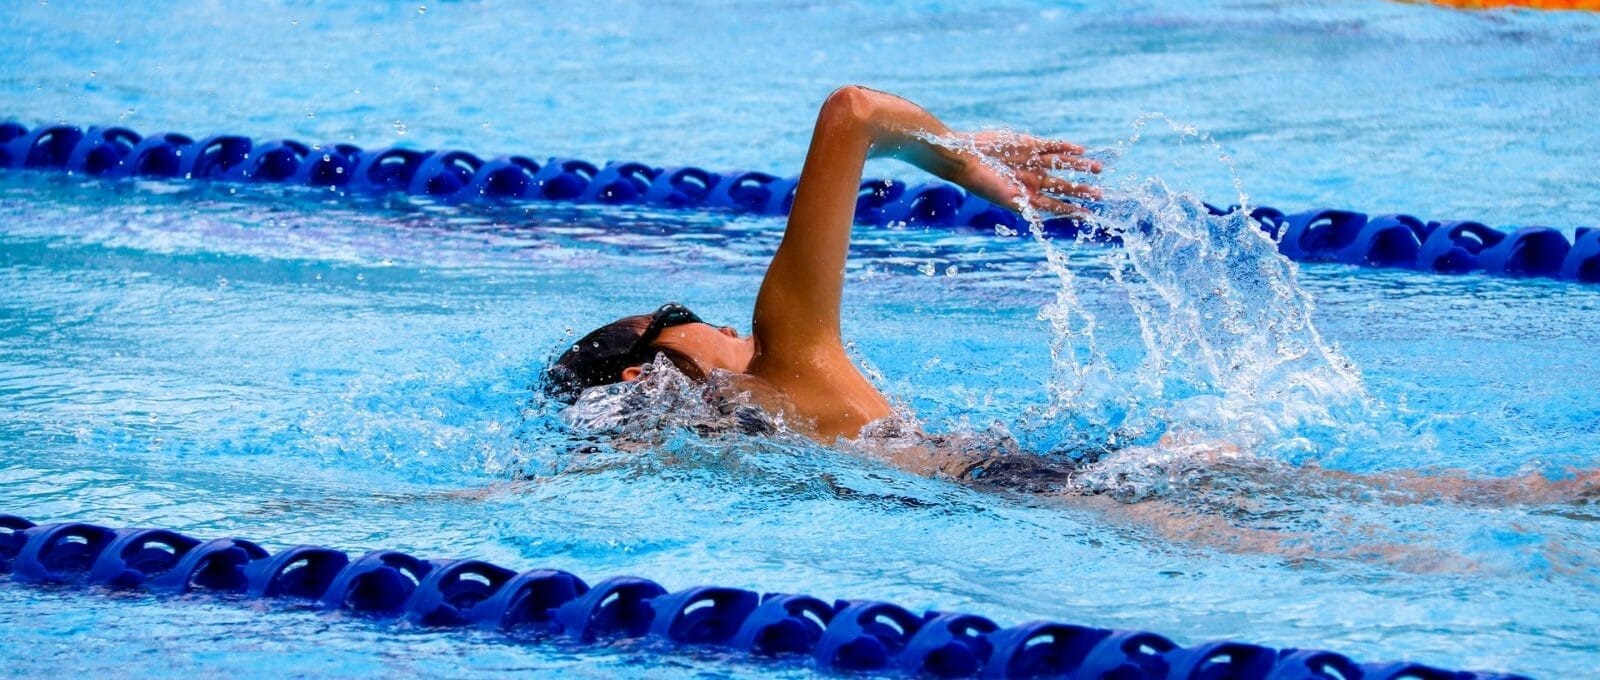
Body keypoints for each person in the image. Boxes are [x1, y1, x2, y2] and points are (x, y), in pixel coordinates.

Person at [545, 85, 1102, 446]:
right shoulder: (784, 354)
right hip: (1041, 488)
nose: (727, 327)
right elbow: (853, 111)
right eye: (679, 316)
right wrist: (964, 161)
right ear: (644, 376)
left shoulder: (753, 444)